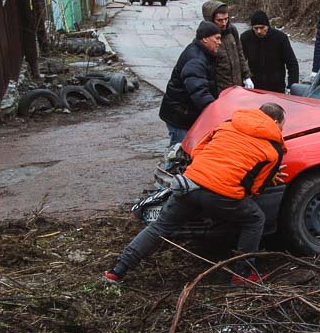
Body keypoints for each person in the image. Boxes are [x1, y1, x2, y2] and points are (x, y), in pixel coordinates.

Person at [104, 102, 287, 284]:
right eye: (282, 126)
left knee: (160, 227)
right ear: (276, 122)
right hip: (223, 195)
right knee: (255, 219)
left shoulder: (227, 124)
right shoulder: (274, 149)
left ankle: (117, 270)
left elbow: (198, 150)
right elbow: (256, 188)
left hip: (190, 184)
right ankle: (243, 275)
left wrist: (207, 170)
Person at [158, 20, 222, 146]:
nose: (220, 42)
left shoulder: (203, 53)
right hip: (180, 116)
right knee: (179, 153)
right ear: (205, 39)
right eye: (217, 38)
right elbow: (199, 91)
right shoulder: (196, 60)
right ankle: (170, 166)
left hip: (185, 113)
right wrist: (215, 111)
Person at [241, 10, 300, 92]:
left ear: (267, 26)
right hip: (255, 86)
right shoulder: (246, 38)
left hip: (276, 87)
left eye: (262, 28)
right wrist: (245, 79)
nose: (259, 31)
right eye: (256, 28)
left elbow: (292, 63)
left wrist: (292, 86)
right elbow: (241, 61)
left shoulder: (280, 38)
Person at [203, 0, 254, 92]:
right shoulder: (206, 38)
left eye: (226, 19)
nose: (224, 23)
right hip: (220, 91)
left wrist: (246, 76)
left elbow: (239, 53)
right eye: (219, 20)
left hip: (237, 87)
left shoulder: (231, 30)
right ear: (210, 20)